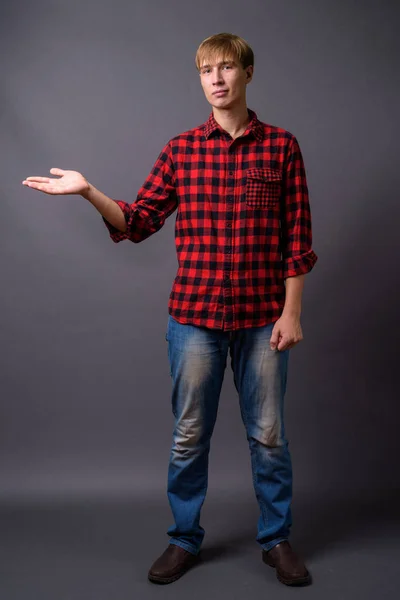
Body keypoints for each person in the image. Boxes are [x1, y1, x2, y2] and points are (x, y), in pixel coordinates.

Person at [22, 32, 317, 586]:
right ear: (200, 78)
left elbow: (297, 237)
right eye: (208, 70)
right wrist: (88, 192)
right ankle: (184, 539)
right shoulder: (181, 150)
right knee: (189, 434)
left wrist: (292, 311)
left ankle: (276, 539)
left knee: (269, 435)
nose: (217, 78)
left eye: (228, 68)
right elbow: (137, 222)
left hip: (262, 318)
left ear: (248, 74)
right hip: (195, 318)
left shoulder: (282, 146)